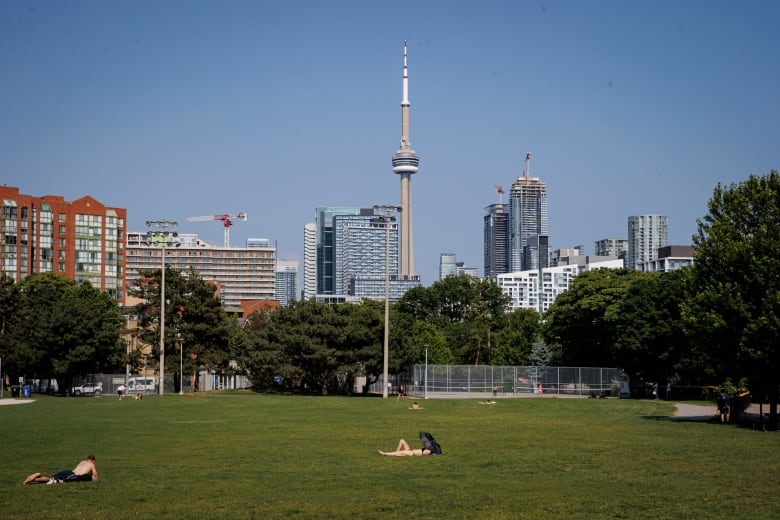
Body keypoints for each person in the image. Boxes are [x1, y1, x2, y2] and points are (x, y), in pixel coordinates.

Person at [23, 455, 99, 485]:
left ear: (87, 459)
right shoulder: (92, 464)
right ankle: (35, 479)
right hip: (72, 475)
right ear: (93, 460)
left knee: (50, 478)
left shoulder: (82, 462)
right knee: (52, 480)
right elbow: (95, 475)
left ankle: (35, 478)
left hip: (68, 471)